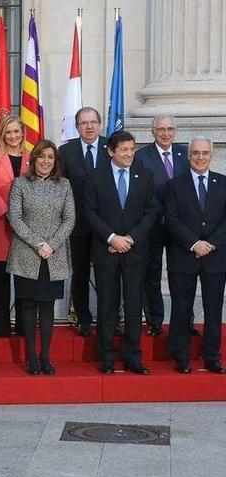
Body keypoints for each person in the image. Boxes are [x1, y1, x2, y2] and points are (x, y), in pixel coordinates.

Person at [85, 130, 156, 375]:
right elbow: (90, 212)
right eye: (124, 149)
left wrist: (131, 238)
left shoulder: (145, 176)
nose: (129, 154)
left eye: (131, 149)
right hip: (107, 250)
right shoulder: (95, 177)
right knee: (107, 304)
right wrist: (112, 238)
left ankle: (132, 356)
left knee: (134, 305)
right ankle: (106, 356)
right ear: (111, 151)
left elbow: (151, 212)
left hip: (136, 251)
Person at [6, 140, 75, 375]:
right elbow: (15, 218)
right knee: (27, 304)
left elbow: (69, 219)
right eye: (41, 156)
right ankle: (31, 358)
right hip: (27, 253)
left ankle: (46, 357)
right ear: (33, 159)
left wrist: (51, 245)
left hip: (53, 256)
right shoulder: (20, 184)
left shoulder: (64, 185)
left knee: (47, 306)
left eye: (50, 157)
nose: (46, 161)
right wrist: (38, 243)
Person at [164, 137, 226, 374]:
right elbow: (171, 219)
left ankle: (212, 356)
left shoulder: (223, 183)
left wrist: (210, 244)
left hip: (215, 257)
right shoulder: (174, 185)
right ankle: (181, 355)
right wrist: (193, 243)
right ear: (188, 156)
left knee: (213, 309)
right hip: (183, 255)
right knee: (181, 307)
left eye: (205, 153)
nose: (200, 157)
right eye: (196, 153)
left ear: (211, 156)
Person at [134, 116, 192, 337]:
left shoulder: (184, 154)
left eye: (169, 129)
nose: (165, 133)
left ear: (175, 131)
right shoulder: (141, 156)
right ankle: (155, 320)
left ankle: (185, 321)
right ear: (152, 131)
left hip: (180, 226)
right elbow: (141, 192)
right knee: (153, 274)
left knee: (182, 275)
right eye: (161, 129)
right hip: (154, 225)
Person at [59, 107, 110, 336]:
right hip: (77, 225)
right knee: (79, 273)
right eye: (83, 123)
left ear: (100, 124)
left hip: (108, 226)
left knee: (107, 274)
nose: (89, 127)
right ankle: (83, 317)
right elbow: (60, 187)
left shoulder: (112, 148)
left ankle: (109, 318)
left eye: (93, 122)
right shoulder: (66, 151)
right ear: (77, 126)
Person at [0, 116, 29, 337]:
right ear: (2, 134)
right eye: (8, 132)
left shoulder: (32, 158)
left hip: (27, 229)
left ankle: (23, 325)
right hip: (1, 226)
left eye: (16, 132)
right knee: (0, 280)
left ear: (23, 133)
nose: (12, 136)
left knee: (23, 281)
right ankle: (1, 327)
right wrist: (8, 213)